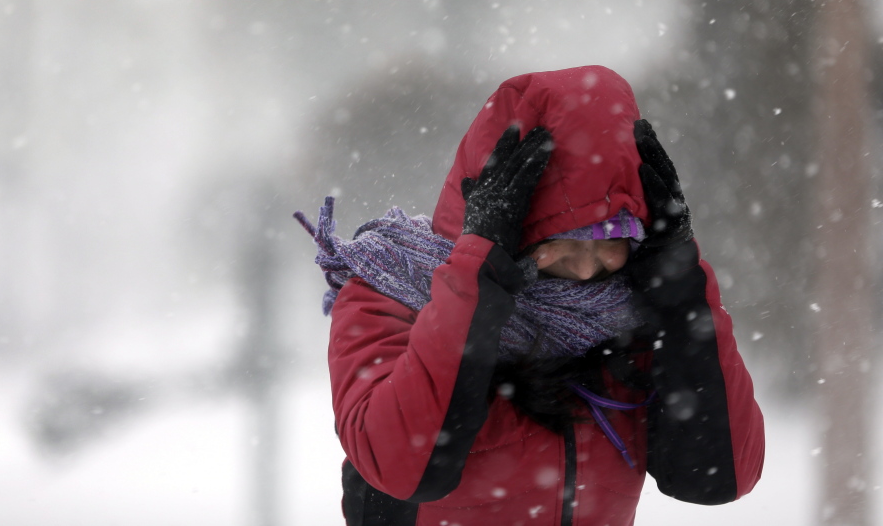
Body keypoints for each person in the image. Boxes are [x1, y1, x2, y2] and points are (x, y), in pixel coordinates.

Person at [295, 66, 764, 526]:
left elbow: (717, 477)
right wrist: (477, 279)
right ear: (512, 228)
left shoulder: (632, 317)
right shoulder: (391, 289)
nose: (585, 268)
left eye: (608, 243)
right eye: (561, 242)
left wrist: (681, 289)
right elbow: (401, 466)